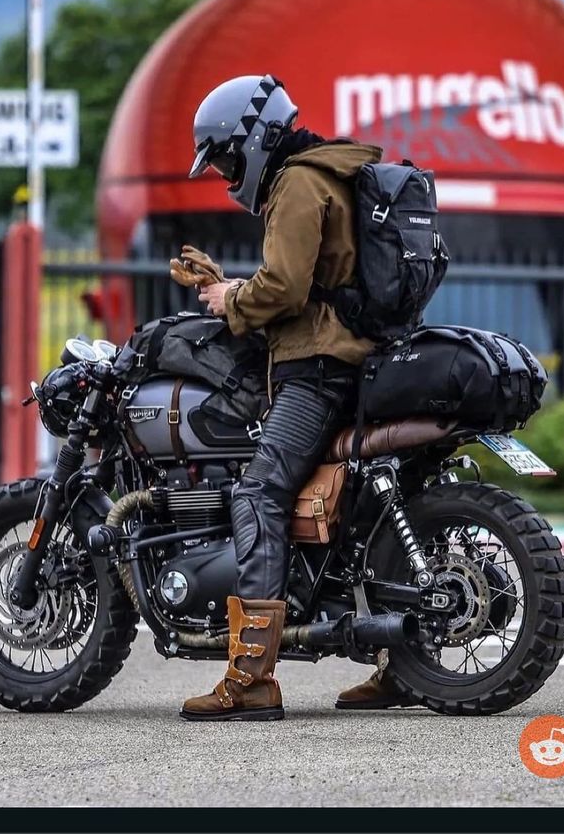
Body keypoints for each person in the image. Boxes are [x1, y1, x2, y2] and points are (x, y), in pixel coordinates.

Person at [179, 74, 412, 721]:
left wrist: (232, 301)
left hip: (318, 369)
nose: (228, 175)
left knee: (258, 492)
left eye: (227, 158)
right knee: (359, 514)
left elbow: (283, 288)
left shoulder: (298, 183)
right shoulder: (330, 174)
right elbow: (313, 281)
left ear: (254, 139)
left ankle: (251, 678)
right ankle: (407, 667)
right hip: (357, 360)